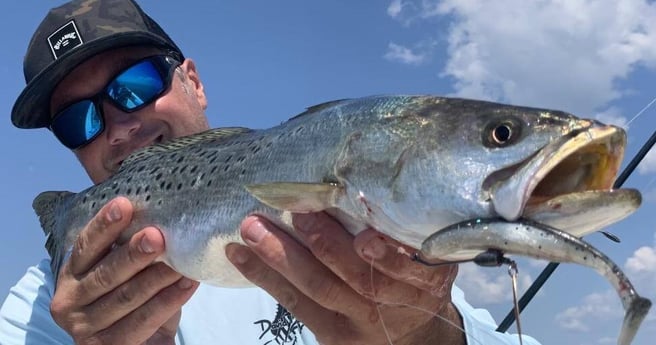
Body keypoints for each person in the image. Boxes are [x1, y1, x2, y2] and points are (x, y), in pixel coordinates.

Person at [0, 1, 540, 344]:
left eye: (135, 84)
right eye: (79, 120)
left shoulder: (374, 231)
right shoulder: (45, 309)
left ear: (193, 80)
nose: (117, 126)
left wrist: (427, 336)